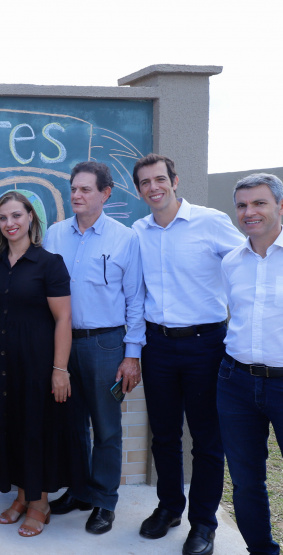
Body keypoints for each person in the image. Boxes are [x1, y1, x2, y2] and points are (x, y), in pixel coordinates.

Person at [131, 153, 242, 555]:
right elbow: (136, 293)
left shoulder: (210, 222)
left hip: (205, 345)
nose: (153, 187)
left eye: (160, 179)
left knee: (206, 439)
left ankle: (204, 524)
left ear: (175, 181)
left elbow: (246, 263)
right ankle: (169, 507)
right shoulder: (138, 232)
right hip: (157, 344)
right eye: (145, 182)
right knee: (163, 434)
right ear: (138, 189)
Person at [43, 162, 145, 534]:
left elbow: (136, 299)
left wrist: (132, 354)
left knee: (105, 427)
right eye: (73, 189)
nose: (77, 195)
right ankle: (80, 491)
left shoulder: (124, 238)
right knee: (71, 426)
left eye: (85, 189)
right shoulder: (55, 235)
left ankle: (104, 501)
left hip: (106, 343)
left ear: (105, 194)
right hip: (64, 344)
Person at [0, 190, 82, 538]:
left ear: (31, 219)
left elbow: (64, 319)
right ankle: (21, 496)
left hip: (37, 362)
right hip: (0, 361)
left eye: (16, 216)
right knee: (10, 425)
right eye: (3, 218)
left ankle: (40, 504)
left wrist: (60, 369)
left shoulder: (50, 263)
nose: (10, 223)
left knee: (37, 428)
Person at [218, 173, 283, 555]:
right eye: (242, 205)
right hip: (236, 381)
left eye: (259, 203)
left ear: (279, 207)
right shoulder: (231, 262)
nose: (249, 212)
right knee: (245, 481)